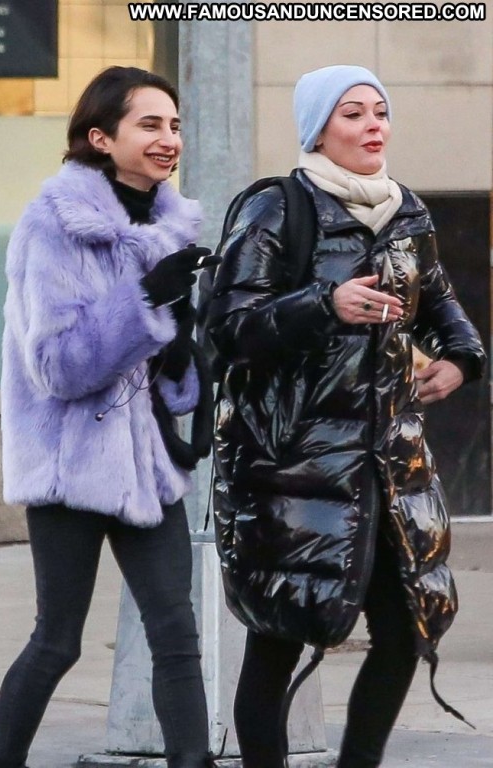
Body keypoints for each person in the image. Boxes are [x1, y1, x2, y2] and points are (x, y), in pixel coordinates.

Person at [205, 65, 485, 768]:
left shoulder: (405, 211)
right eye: (352, 114)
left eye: (379, 112)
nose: (373, 126)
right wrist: (323, 304)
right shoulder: (276, 209)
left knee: (404, 634)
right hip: (294, 466)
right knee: (279, 636)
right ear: (318, 130)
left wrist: (462, 356)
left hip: (390, 464)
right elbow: (229, 328)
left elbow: (437, 298)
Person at [0, 66, 220, 768]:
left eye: (174, 125)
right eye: (149, 124)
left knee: (176, 633)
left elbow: (167, 379)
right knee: (58, 640)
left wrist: (184, 346)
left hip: (145, 468)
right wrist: (143, 301)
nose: (168, 138)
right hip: (69, 467)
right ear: (100, 137)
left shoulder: (170, 228)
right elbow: (57, 367)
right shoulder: (53, 225)